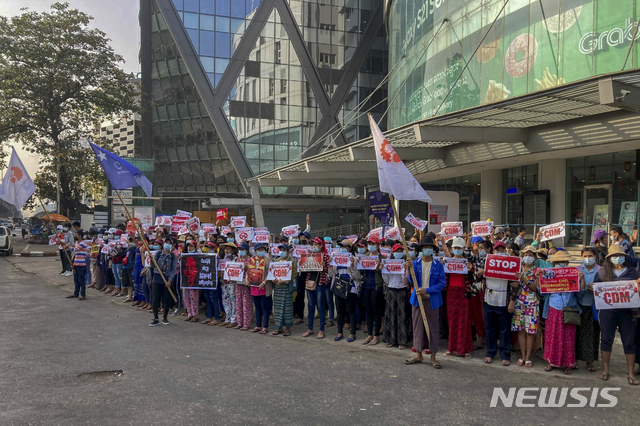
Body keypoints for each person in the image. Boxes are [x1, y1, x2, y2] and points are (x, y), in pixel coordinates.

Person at [593, 244, 640, 385]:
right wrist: (592, 288)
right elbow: (596, 288)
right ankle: (605, 370)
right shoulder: (602, 273)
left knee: (629, 342)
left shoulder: (633, 272)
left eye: (619, 256)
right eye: (614, 256)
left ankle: (630, 373)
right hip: (607, 312)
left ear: (625, 257)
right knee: (606, 340)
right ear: (609, 258)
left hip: (628, 312)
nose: (617, 258)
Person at [542, 250, 585, 374]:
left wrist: (582, 278)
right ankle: (551, 361)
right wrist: (538, 278)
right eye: (558, 262)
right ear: (554, 263)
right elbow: (542, 291)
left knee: (568, 337)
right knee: (552, 336)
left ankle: (568, 363)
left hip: (569, 309)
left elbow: (581, 294)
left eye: (563, 262)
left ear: (567, 262)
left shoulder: (574, 274)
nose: (561, 264)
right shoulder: (548, 274)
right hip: (553, 308)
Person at [404, 236, 445, 368]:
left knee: (433, 327)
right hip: (417, 300)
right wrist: (409, 269)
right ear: (421, 249)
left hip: (432, 300)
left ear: (433, 249)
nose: (427, 249)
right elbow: (411, 280)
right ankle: (418, 354)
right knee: (417, 327)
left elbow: (442, 284)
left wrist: (427, 290)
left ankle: (433, 356)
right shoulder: (415, 263)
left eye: (430, 247)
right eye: (425, 247)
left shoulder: (438, 265)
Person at [441, 237, 474, 358]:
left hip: (463, 294)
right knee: (452, 321)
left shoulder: (467, 262)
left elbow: (471, 280)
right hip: (451, 293)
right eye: (455, 248)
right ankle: (451, 348)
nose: (457, 250)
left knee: (463, 321)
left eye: (459, 248)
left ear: (463, 248)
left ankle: (463, 349)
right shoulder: (448, 261)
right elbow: (444, 277)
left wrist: (471, 270)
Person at [483, 241, 513, 366]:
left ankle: (505, 355)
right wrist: (479, 273)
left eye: (502, 250)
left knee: (504, 329)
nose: (499, 252)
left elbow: (514, 285)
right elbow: (478, 277)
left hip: (503, 299)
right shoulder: (486, 261)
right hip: (489, 298)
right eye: (497, 250)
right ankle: (490, 353)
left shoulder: (511, 263)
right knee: (490, 328)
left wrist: (512, 300)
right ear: (493, 251)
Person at [510, 245, 540, 368]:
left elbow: (535, 288)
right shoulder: (518, 268)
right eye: (526, 255)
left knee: (530, 331)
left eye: (531, 255)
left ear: (534, 257)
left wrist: (523, 278)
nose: (528, 257)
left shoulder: (537, 271)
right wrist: (515, 282)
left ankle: (528, 357)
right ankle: (522, 356)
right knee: (521, 331)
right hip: (518, 303)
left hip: (532, 304)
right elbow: (512, 283)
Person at [332, 240, 362, 342]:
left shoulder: (355, 259)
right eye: (340, 246)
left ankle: (352, 333)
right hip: (339, 287)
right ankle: (340, 332)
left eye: (344, 247)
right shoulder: (335, 258)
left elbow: (358, 277)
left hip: (351, 287)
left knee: (351, 311)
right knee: (340, 311)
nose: (342, 249)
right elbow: (331, 274)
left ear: (349, 248)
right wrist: (330, 266)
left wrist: (353, 267)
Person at [381, 243, 410, 350]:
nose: (398, 253)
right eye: (396, 251)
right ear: (392, 253)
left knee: (402, 317)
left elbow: (405, 281)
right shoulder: (388, 263)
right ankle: (391, 339)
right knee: (391, 316)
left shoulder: (405, 264)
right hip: (391, 290)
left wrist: (404, 271)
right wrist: (383, 270)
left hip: (402, 290)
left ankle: (402, 341)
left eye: (400, 251)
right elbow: (386, 280)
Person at [576, 247, 600, 372]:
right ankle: (575, 359)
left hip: (595, 307)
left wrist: (597, 289)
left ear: (595, 257)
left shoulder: (601, 271)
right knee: (577, 334)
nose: (587, 258)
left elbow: (606, 289)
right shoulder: (577, 270)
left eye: (590, 255)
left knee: (593, 335)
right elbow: (574, 291)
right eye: (585, 256)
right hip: (580, 306)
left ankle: (590, 361)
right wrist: (583, 284)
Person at [303, 237, 330, 339]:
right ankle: (310, 328)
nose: (314, 247)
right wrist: (302, 264)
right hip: (310, 282)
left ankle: (321, 330)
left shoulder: (325, 256)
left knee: (320, 306)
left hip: (320, 283)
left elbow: (328, 270)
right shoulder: (309, 255)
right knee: (310, 306)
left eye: (316, 245)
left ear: (321, 246)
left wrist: (324, 266)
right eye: (313, 245)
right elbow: (305, 269)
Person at [359, 236, 384, 345]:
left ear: (378, 245)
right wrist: (357, 264)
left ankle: (376, 336)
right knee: (368, 311)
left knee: (376, 311)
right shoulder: (364, 257)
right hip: (366, 286)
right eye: (369, 244)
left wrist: (380, 268)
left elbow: (385, 275)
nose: (371, 246)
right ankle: (369, 334)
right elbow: (361, 273)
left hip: (376, 287)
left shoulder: (382, 258)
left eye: (373, 244)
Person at [271, 244, 297, 336]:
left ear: (288, 251)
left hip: (286, 287)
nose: (281, 252)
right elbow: (272, 273)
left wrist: (285, 281)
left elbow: (294, 274)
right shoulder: (276, 261)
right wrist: (273, 280)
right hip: (277, 288)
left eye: (284, 250)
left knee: (287, 309)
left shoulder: (292, 261)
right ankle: (278, 328)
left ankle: (287, 329)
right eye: (280, 250)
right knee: (277, 308)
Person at [150, 237, 177, 326]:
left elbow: (173, 269)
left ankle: (165, 318)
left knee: (166, 299)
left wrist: (170, 280)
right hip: (157, 278)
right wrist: (151, 260)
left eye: (169, 243)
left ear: (172, 246)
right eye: (166, 242)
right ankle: (156, 318)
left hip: (167, 279)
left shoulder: (173, 257)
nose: (167, 244)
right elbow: (153, 266)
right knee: (156, 298)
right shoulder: (157, 254)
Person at [247, 243, 272, 334]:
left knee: (265, 308)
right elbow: (248, 271)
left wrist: (264, 282)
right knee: (257, 307)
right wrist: (247, 279)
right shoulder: (252, 260)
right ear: (255, 251)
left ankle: (265, 326)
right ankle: (258, 325)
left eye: (262, 249)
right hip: (254, 288)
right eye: (258, 250)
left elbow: (270, 273)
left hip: (264, 288)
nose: (260, 251)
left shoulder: (268, 260)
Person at [235, 242, 253, 331]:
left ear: (247, 250)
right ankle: (239, 322)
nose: (241, 251)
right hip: (238, 283)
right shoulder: (237, 260)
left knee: (246, 304)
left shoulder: (250, 260)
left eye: (243, 250)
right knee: (238, 303)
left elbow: (253, 272)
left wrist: (247, 268)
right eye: (240, 250)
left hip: (246, 284)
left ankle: (246, 323)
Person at [182, 240, 200, 322]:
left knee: (193, 297)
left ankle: (195, 314)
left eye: (191, 246)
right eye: (188, 246)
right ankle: (190, 313)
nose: (189, 248)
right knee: (186, 296)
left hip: (194, 280)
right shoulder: (184, 256)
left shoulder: (198, 256)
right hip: (186, 279)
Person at [120, 234, 137, 303]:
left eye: (131, 241)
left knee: (131, 282)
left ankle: (134, 296)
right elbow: (122, 254)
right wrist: (121, 247)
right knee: (127, 282)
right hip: (125, 266)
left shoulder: (133, 248)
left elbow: (133, 251)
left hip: (131, 267)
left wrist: (130, 244)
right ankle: (129, 296)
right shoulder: (128, 249)